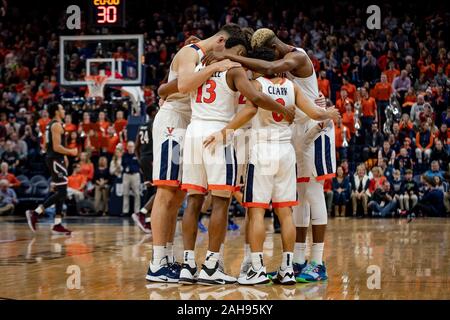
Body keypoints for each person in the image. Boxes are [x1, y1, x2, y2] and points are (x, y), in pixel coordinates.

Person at [204, 28, 338, 284]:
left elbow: (251, 103)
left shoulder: (293, 59)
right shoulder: (290, 85)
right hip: (290, 142)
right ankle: (294, 264)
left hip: (299, 136)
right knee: (290, 207)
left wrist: (224, 130)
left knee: (289, 200)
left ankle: (314, 262)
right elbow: (312, 109)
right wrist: (327, 112)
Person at [166, 38, 297, 285]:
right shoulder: (234, 69)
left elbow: (167, 89)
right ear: (238, 52)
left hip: (194, 131)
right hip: (220, 134)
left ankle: (187, 265)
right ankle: (212, 265)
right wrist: (285, 110)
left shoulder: (198, 67)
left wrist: (165, 97)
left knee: (193, 200)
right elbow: (254, 100)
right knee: (221, 202)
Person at [147, 24, 243, 283]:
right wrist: (214, 67)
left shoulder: (202, 58)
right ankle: (157, 262)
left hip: (189, 127)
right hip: (173, 123)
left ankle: (168, 257)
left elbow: (167, 88)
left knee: (180, 195)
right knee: (166, 192)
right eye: (230, 49)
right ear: (221, 40)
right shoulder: (191, 53)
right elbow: (181, 85)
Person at [26, 102, 78, 235]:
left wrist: (64, 155)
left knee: (61, 192)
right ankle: (35, 213)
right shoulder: (55, 125)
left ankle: (57, 224)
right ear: (56, 111)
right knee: (62, 193)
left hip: (57, 159)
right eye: (61, 109)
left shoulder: (54, 125)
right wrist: (71, 152)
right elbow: (56, 147)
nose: (64, 111)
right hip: (55, 159)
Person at [132, 106, 155, 234]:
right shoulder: (154, 124)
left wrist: (141, 161)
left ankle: (148, 222)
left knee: (150, 190)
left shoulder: (142, 126)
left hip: (144, 159)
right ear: (153, 112)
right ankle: (141, 213)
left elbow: (136, 147)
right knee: (158, 191)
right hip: (152, 159)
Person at [121, 141, 141, 217]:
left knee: (137, 193)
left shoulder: (137, 154)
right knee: (125, 193)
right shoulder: (124, 155)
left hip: (135, 175)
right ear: (127, 147)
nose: (130, 148)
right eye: (129, 146)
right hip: (126, 175)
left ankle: (137, 211)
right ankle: (125, 211)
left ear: (134, 147)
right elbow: (123, 164)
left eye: (132, 146)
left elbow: (139, 164)